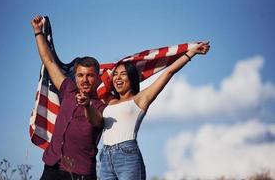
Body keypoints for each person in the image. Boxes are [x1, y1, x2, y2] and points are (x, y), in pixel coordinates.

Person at [81, 42, 210, 180]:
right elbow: (91, 80)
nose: (118, 77)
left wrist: (191, 52)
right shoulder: (109, 100)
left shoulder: (141, 99)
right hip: (105, 157)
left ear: (131, 77)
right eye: (115, 74)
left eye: (123, 74)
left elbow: (169, 72)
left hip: (127, 156)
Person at [31, 15, 105, 180]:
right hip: (52, 166)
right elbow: (49, 61)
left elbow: (97, 121)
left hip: (80, 173)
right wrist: (38, 32)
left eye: (90, 75)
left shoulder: (101, 106)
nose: (84, 80)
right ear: (75, 77)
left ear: (98, 78)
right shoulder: (68, 90)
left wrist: (87, 105)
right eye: (80, 75)